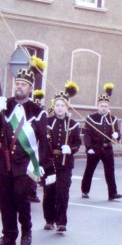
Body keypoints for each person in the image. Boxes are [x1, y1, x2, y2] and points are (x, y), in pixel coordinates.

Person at [0, 66, 52, 245]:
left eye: (24, 84)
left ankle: (26, 230)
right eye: (17, 83)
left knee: (21, 198)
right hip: (4, 160)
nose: (19, 86)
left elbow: (43, 141)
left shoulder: (37, 111)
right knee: (5, 200)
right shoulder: (5, 105)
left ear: (30, 89)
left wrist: (44, 167)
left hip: (25, 163)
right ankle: (8, 235)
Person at [43, 88, 81, 232]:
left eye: (63, 105)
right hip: (50, 161)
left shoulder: (73, 124)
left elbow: (78, 143)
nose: (60, 108)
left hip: (65, 164)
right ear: (54, 106)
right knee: (49, 192)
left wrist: (71, 149)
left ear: (67, 107)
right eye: (57, 105)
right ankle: (49, 219)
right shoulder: (47, 122)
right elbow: (43, 143)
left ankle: (61, 221)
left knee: (62, 192)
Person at [81, 90, 122, 201]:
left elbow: (118, 133)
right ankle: (85, 190)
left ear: (108, 107)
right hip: (94, 148)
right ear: (98, 106)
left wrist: (116, 135)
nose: (104, 108)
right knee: (89, 170)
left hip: (107, 148)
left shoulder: (113, 119)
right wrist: (88, 147)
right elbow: (87, 134)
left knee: (110, 171)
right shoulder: (91, 118)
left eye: (106, 106)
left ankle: (112, 193)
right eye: (102, 106)